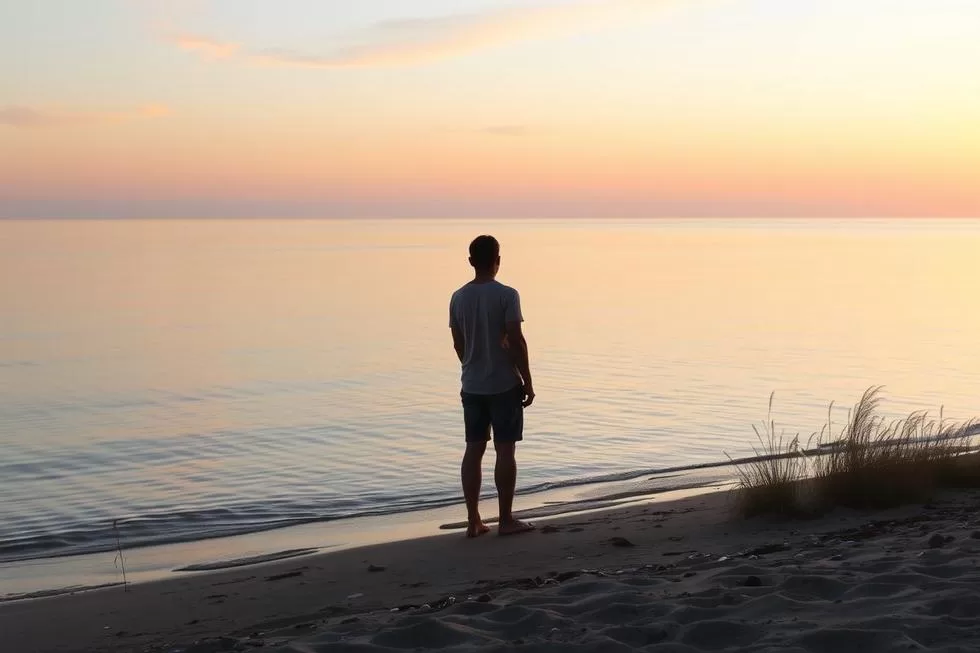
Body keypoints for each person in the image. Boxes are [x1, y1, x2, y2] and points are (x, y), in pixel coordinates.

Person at [449, 235, 536, 538]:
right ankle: (505, 519)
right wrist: (527, 378)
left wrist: (470, 364)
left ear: (471, 261)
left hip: (472, 384)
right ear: (498, 260)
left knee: (474, 449)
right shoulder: (507, 295)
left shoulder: (458, 297)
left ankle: (473, 521)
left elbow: (458, 343)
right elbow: (516, 339)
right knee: (505, 449)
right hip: (503, 383)